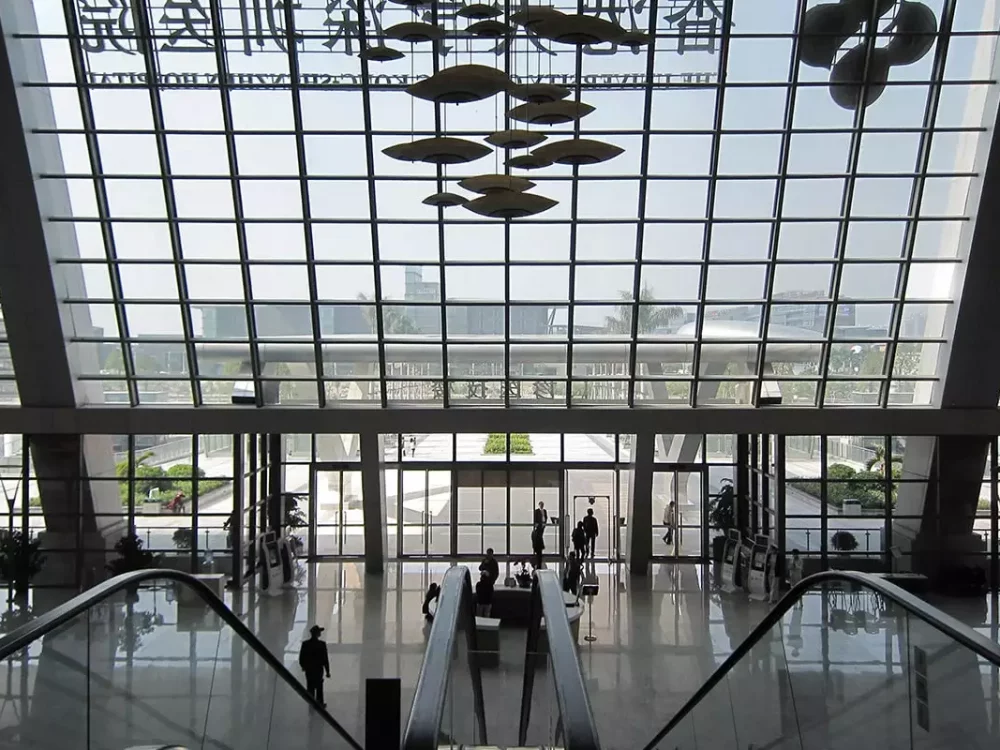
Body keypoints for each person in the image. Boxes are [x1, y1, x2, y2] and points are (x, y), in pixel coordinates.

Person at [298, 625, 330, 708]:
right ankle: (320, 705)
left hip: (309, 670)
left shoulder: (305, 644)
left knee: (310, 687)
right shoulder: (322, 644)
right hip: (318, 669)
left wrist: (304, 667)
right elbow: (325, 659)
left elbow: (301, 658)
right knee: (319, 687)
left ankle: (311, 706)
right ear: (317, 634)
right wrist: (327, 671)